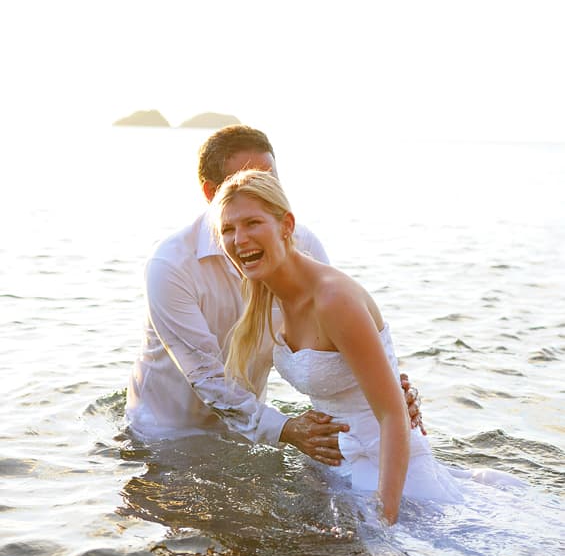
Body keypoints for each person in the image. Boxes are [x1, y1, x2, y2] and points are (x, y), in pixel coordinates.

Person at [212, 169, 524, 525]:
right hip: (334, 468)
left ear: (286, 225)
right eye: (227, 229)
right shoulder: (267, 297)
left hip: (389, 474)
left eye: (252, 223)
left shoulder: (333, 299)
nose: (239, 239)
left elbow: (392, 414)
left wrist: (384, 517)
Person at [126, 125, 423, 465]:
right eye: (248, 179)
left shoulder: (303, 245)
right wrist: (286, 429)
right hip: (166, 437)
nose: (262, 191)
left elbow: (335, 338)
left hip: (247, 437)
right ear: (211, 193)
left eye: (270, 179)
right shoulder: (170, 265)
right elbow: (206, 377)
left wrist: (391, 395)